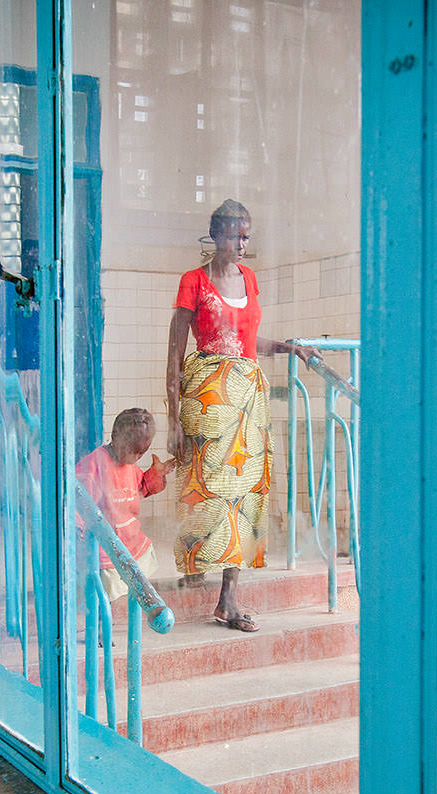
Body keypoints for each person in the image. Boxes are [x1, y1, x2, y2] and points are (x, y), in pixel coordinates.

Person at [166, 199, 318, 631]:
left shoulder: (250, 279)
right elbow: (176, 350)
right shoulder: (193, 281)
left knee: (245, 493)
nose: (243, 244)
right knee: (204, 486)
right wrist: (174, 415)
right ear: (215, 235)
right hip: (206, 394)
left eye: (247, 235)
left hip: (247, 397)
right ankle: (195, 565)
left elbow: (246, 338)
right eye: (235, 234)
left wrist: (288, 348)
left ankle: (228, 598)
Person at [75, 408, 172, 603]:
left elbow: (139, 489)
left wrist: (157, 474)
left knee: (136, 585)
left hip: (131, 542)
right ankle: (104, 625)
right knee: (105, 596)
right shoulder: (94, 465)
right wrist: (78, 532)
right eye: (132, 451)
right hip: (107, 548)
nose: (136, 457)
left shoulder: (129, 463)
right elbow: (77, 501)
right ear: (116, 437)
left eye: (141, 453)